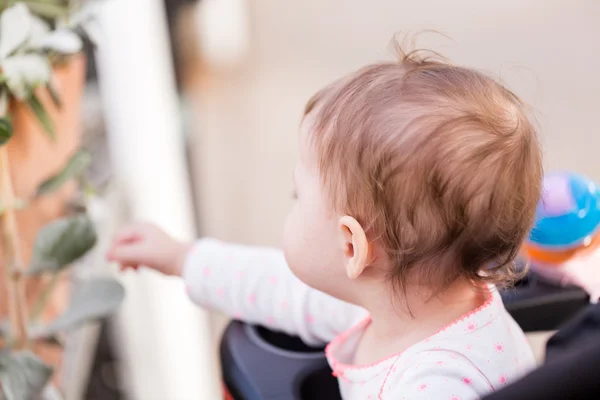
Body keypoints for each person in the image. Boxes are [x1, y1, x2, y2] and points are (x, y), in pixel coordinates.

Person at [107, 44, 543, 399]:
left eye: (298, 196)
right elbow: (278, 288)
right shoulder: (402, 296)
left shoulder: (435, 385)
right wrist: (182, 257)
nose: (293, 204)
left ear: (352, 247)